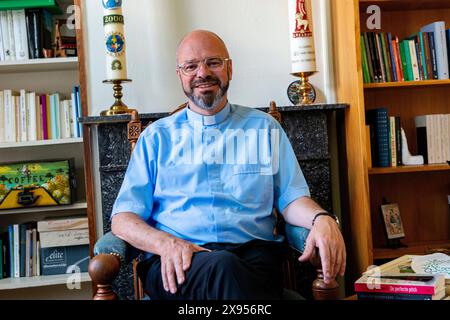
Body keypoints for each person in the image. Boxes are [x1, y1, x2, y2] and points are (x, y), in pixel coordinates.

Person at [110, 30, 346, 300]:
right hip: (178, 265)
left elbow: (292, 200)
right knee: (223, 268)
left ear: (229, 68)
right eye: (191, 66)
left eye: (213, 62)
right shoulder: (156, 139)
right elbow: (123, 219)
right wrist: (166, 244)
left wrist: (322, 218)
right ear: (180, 76)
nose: (202, 73)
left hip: (252, 260)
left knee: (227, 268)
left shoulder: (264, 128)